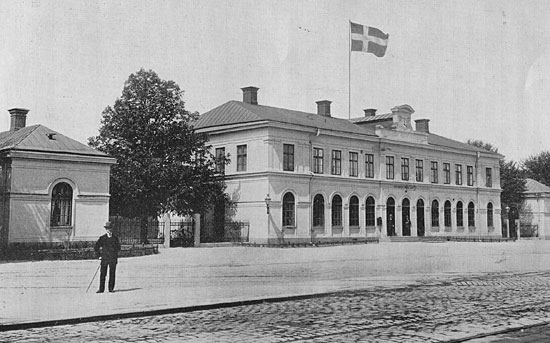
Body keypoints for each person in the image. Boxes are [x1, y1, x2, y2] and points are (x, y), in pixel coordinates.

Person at [94, 222, 121, 293]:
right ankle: (101, 289)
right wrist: (99, 256)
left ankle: (111, 288)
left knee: (112, 274)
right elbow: (96, 247)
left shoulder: (115, 238)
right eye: (108, 229)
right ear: (106, 229)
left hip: (112, 259)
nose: (109, 230)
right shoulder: (102, 238)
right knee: (103, 274)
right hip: (104, 259)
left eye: (110, 228)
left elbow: (118, 248)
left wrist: (114, 254)